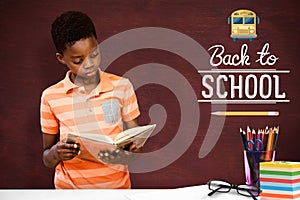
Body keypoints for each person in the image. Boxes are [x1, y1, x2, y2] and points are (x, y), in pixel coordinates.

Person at [40, 11, 140, 189]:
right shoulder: (51, 96)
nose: (89, 65)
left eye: (94, 55)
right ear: (61, 59)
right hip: (70, 192)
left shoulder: (122, 87)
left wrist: (133, 148)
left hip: (116, 190)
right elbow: (47, 158)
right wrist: (56, 152)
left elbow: (136, 144)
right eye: (78, 60)